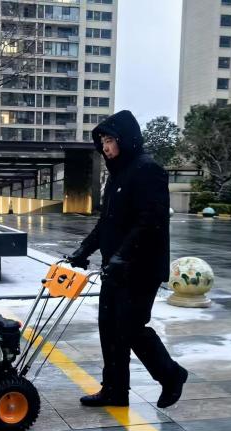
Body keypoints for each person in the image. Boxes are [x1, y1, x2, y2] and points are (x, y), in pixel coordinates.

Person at [66, 110, 188, 409]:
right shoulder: (117, 175)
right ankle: (115, 390)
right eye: (102, 142)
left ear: (126, 139)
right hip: (116, 269)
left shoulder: (148, 170)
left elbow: (150, 221)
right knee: (109, 328)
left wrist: (123, 255)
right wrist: (84, 250)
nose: (105, 147)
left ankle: (171, 374)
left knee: (131, 327)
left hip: (141, 269)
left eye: (110, 140)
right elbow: (106, 223)